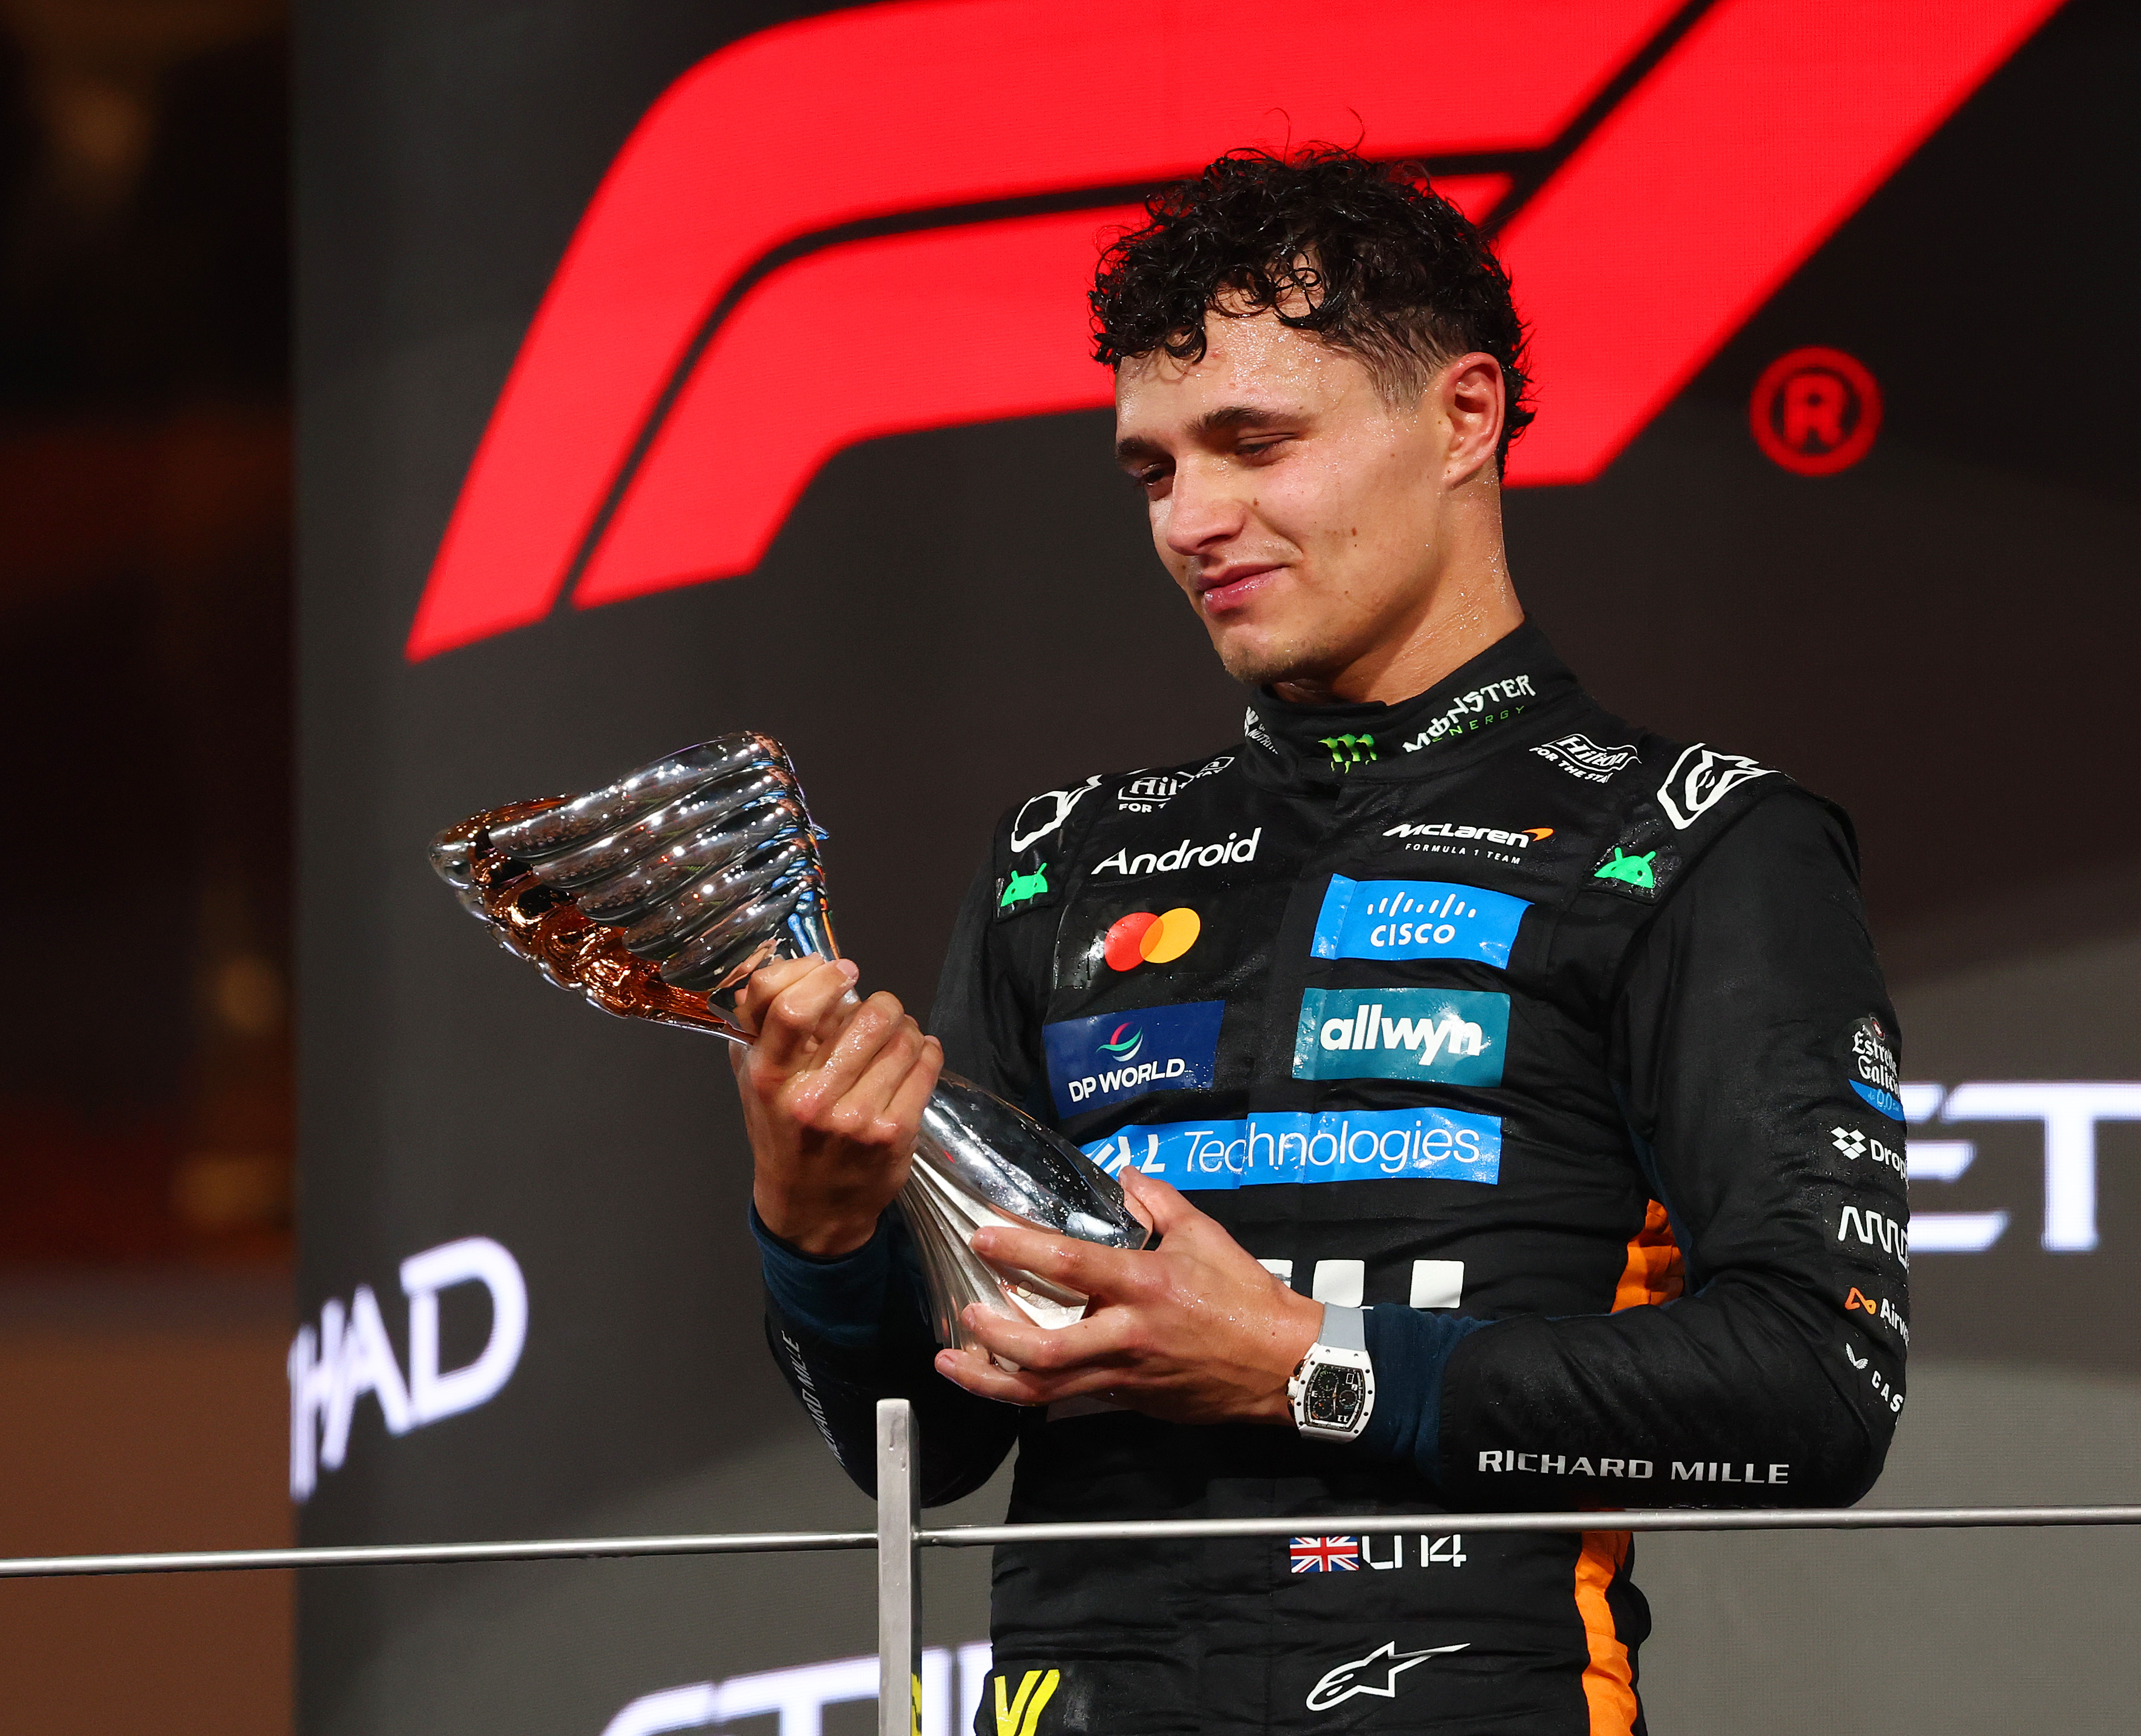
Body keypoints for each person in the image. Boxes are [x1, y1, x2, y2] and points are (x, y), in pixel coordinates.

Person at [732, 146, 1910, 1735]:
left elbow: (1823, 1397)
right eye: (1155, 472)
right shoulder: (1061, 865)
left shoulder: (1698, 843)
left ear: (1465, 416)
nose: (1195, 521)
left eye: (1254, 442)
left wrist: (1310, 1363)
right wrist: (815, 1234)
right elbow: (930, 1445)